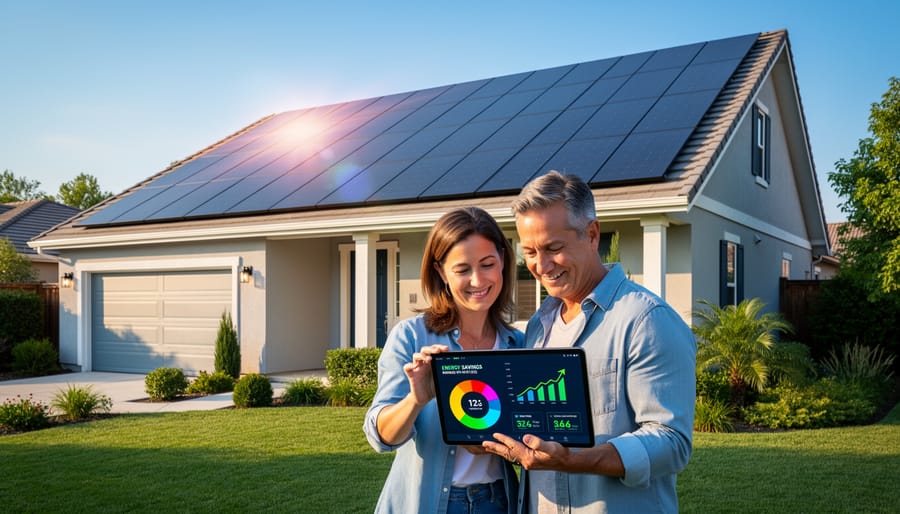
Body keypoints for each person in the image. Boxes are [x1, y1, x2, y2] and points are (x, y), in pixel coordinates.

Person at [482, 171, 696, 513]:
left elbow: (671, 442)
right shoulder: (539, 325)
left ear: (592, 234)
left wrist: (575, 459)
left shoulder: (647, 320)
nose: (541, 265)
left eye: (554, 248)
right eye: (531, 252)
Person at [364, 206, 524, 514]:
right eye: (462, 270)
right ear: (441, 272)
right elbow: (381, 437)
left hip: (498, 501)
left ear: (503, 260)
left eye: (488, 264)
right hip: (427, 503)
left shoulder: (516, 344)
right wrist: (416, 399)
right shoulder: (411, 336)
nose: (478, 280)